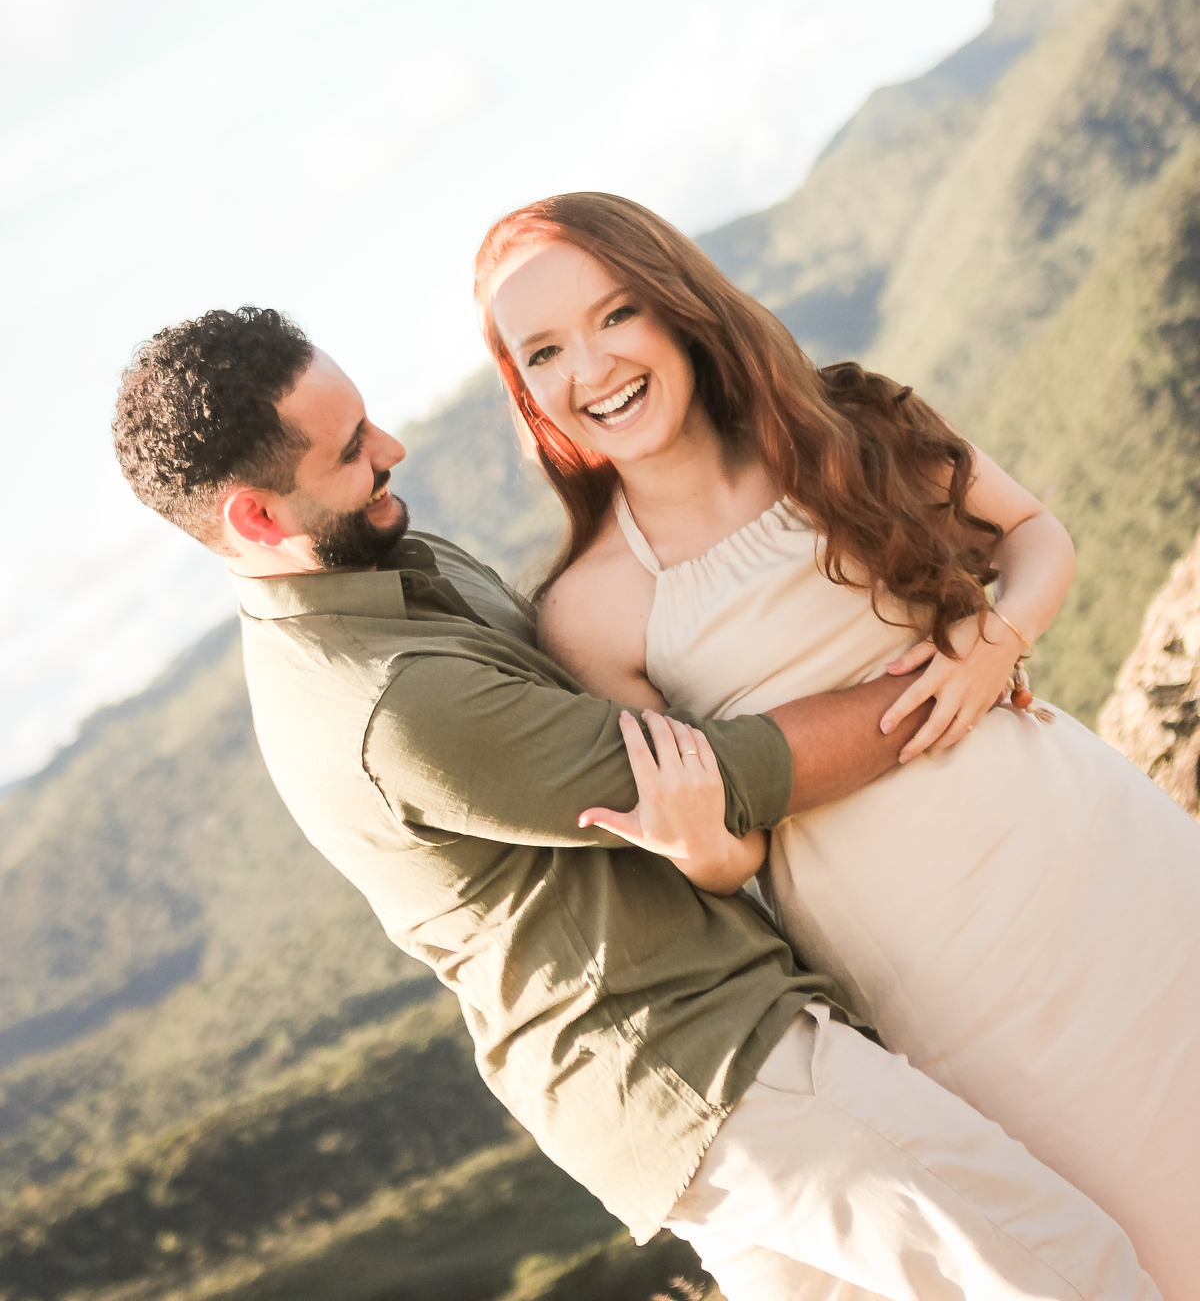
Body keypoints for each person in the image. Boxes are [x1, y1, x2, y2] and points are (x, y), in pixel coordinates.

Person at [111, 306, 1159, 1300]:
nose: (392, 448)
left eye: (367, 419)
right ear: (255, 516)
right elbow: (723, 775)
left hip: (692, 1072)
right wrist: (959, 669)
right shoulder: (391, 702)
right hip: (711, 1062)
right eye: (349, 452)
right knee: (1071, 1270)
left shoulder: (396, 562)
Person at [474, 189, 1200, 1301]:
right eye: (544, 352)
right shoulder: (591, 609)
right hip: (936, 974)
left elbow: (1034, 534)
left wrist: (999, 637)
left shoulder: (845, 426)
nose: (593, 366)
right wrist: (709, 855)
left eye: (616, 314)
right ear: (525, 389)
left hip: (1104, 861)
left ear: (678, 305)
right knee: (1143, 1240)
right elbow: (724, 854)